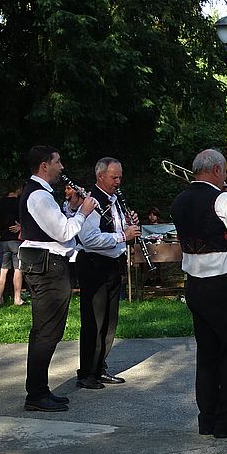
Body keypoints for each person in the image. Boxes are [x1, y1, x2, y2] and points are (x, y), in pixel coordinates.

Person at [171, 149, 227, 439]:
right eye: (224, 172)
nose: (225, 177)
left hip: (196, 285)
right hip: (226, 285)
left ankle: (208, 416)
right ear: (216, 171)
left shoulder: (180, 200)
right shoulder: (223, 199)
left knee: (208, 353)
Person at [18, 145, 97, 412]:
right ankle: (36, 393)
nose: (61, 167)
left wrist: (71, 208)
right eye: (57, 162)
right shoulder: (39, 195)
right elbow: (63, 232)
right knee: (47, 331)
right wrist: (84, 212)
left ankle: (39, 389)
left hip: (47, 265)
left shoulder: (40, 193)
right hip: (48, 268)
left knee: (46, 330)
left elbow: (55, 227)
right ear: (44, 165)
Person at [75, 158, 141, 390]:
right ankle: (86, 373)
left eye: (120, 177)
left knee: (110, 321)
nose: (118, 181)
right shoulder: (91, 201)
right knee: (94, 320)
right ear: (100, 176)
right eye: (114, 177)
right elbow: (88, 239)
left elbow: (117, 228)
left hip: (112, 263)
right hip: (94, 264)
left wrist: (130, 225)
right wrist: (123, 236)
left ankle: (99, 367)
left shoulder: (115, 200)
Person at [0, 180, 26, 307]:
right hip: (16, 239)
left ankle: (0, 297)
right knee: (18, 269)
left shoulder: (0, 203)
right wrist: (20, 227)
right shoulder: (20, 203)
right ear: (18, 189)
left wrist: (3, 227)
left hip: (4, 239)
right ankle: (17, 298)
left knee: (3, 268)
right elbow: (27, 220)